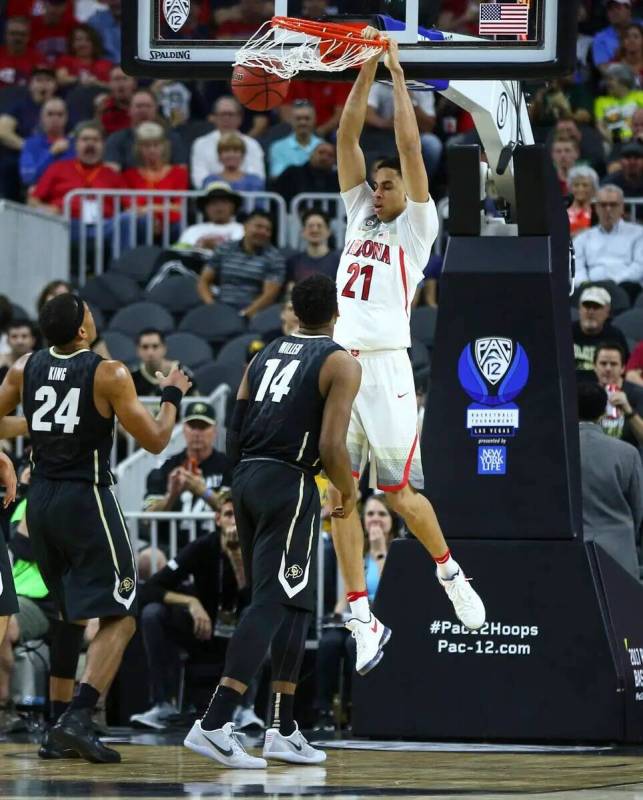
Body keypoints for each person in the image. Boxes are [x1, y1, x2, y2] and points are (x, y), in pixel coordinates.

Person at [329, 28, 485, 676]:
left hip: (388, 365)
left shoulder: (419, 225)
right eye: (377, 183)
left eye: (388, 181)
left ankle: (449, 572)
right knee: (334, 495)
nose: (380, 186)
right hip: (339, 364)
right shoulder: (357, 214)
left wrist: (395, 72)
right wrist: (362, 69)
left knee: (396, 496)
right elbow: (345, 139)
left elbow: (404, 151)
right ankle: (360, 613)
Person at [0, 292, 192, 763]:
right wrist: (172, 394)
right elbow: (155, 440)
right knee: (122, 613)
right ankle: (79, 718)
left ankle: (57, 726)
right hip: (85, 500)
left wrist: (33, 427)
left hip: (40, 502)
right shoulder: (110, 372)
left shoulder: (25, 366)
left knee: (69, 616)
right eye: (87, 310)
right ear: (84, 331)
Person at [184, 273, 361, 769]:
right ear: (337, 311)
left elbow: (235, 429)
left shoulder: (263, 355)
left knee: (295, 600)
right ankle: (216, 722)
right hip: (290, 481)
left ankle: (283, 727)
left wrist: (244, 483)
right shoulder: (340, 362)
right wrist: (346, 489)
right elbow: (330, 445)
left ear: (294, 311)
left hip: (247, 476)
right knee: (272, 599)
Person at [132, 493, 248, 730]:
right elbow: (151, 588)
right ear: (217, 519)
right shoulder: (203, 546)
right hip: (201, 630)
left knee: (257, 621)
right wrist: (191, 603)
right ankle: (162, 704)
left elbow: (254, 599)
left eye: (239, 517)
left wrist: (236, 556)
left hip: (239, 632)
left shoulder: (256, 550)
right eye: (228, 515)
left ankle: (245, 709)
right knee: (153, 613)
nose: (233, 522)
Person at [314, 494, 401, 734]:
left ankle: (360, 709)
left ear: (392, 519)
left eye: (381, 514)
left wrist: (380, 552)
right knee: (329, 644)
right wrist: (336, 614)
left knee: (355, 648)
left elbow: (391, 593)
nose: (375, 520)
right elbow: (348, 593)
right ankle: (326, 712)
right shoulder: (357, 551)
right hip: (354, 621)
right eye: (370, 514)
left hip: (384, 621)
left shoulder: (399, 551)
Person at [578, 381, 643, 580]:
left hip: (574, 557)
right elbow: (638, 510)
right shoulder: (627, 453)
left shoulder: (555, 453)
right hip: (620, 559)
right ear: (603, 413)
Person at [28, 120, 125, 243]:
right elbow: (32, 201)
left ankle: (122, 262)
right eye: (85, 139)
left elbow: (129, 206)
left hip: (104, 227)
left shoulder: (113, 174)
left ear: (103, 145)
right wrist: (46, 208)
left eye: (96, 140)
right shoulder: (57, 168)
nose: (90, 144)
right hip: (66, 224)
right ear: (76, 145)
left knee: (125, 222)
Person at [144, 401, 233, 523]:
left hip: (214, 541)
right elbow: (147, 518)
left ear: (215, 430)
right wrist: (172, 495)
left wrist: (203, 491)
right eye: (192, 426)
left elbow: (235, 514)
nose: (197, 433)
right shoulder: (167, 468)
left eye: (203, 427)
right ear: (184, 429)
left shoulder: (229, 467)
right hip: (171, 541)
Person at [197, 210, 286, 317]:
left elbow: (269, 295)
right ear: (245, 227)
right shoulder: (225, 248)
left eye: (268, 229)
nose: (263, 232)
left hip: (252, 313)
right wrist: (212, 306)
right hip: (220, 307)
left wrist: (244, 314)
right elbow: (204, 281)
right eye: (259, 226)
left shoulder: (275, 257)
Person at [122, 121, 189, 240]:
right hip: (140, 228)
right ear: (139, 148)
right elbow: (130, 208)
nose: (152, 150)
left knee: (180, 226)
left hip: (171, 226)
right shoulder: (128, 175)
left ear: (164, 146)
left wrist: (150, 209)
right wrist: (151, 217)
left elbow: (179, 207)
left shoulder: (179, 173)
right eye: (146, 146)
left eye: (156, 145)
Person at [0, 66, 58, 201]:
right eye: (39, 80)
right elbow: (2, 131)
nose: (43, 84)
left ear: (55, 86)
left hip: (55, 155)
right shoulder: (21, 107)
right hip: (22, 156)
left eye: (48, 80)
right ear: (31, 85)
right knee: (8, 165)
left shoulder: (60, 107)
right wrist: (28, 147)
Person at [366, 81, 443, 179]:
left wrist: (410, 102)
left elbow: (429, 126)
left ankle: (421, 186)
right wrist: (386, 124)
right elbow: (367, 115)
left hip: (416, 134)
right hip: (386, 133)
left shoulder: (424, 88)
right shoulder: (380, 85)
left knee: (432, 143)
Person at [573, 185, 643, 290]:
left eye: (613, 205)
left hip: (626, 288)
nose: (608, 209)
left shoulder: (639, 233)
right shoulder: (583, 238)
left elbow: (639, 267)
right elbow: (576, 268)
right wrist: (585, 284)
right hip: (590, 290)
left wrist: (612, 283)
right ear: (596, 208)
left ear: (622, 207)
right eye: (603, 205)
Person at [191, 97, 266, 189]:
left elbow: (257, 178)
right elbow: (199, 180)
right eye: (222, 114)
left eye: (230, 114)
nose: (226, 118)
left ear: (239, 118)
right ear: (214, 117)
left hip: (246, 198)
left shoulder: (252, 144)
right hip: (212, 197)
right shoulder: (200, 144)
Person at [104, 89, 186, 172]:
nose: (143, 110)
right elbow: (112, 173)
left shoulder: (172, 138)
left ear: (156, 109)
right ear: (129, 110)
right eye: (139, 106)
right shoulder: (116, 139)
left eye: (148, 106)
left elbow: (180, 171)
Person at [594, 343, 643, 449]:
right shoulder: (587, 394)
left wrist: (628, 410)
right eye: (603, 363)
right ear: (594, 367)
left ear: (623, 368)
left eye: (613, 364)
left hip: (628, 459)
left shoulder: (639, 394)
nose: (608, 368)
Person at [572, 286, 629, 373]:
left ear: (607, 311)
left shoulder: (615, 336)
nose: (591, 312)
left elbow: (624, 369)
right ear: (579, 308)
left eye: (596, 307)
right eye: (587, 306)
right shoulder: (565, 333)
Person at [19, 96, 73, 187]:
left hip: (69, 193)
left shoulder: (76, 144)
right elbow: (28, 178)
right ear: (42, 117)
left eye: (60, 114)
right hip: (41, 195)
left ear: (66, 118)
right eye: (50, 114)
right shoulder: (30, 144)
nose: (55, 119)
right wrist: (51, 153)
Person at [176, 181, 244, 251]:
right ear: (205, 208)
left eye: (224, 202)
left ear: (233, 206)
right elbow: (180, 254)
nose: (219, 207)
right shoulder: (192, 231)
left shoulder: (243, 231)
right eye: (214, 203)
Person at [130, 328, 196, 398]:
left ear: (164, 348)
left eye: (155, 346)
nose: (150, 353)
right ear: (138, 350)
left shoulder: (182, 373)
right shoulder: (133, 377)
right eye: (145, 347)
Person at [270, 141, 340, 206]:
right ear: (311, 154)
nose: (324, 158)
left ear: (335, 160)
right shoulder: (292, 173)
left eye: (330, 155)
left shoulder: (338, 179)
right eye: (321, 152)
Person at [286, 210, 340, 288]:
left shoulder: (339, 261)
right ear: (303, 232)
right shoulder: (293, 262)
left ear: (329, 231)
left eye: (319, 226)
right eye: (310, 226)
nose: (315, 230)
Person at [269, 101, 322, 179]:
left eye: (307, 118)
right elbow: (276, 176)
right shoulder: (278, 147)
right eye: (298, 119)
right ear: (291, 120)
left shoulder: (323, 146)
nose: (303, 122)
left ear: (315, 120)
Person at [595, 64, 643, 146]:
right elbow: (600, 125)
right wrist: (612, 141)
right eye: (606, 80)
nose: (607, 83)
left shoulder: (640, 96)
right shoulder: (601, 101)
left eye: (610, 79)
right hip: (614, 142)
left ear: (623, 80)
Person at [200, 133, 265, 191]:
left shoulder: (254, 180)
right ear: (219, 156)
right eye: (226, 151)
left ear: (243, 155)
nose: (231, 155)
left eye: (236, 151)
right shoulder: (211, 180)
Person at [55, 23, 112, 89]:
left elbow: (113, 85)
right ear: (72, 43)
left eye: (88, 40)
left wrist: (96, 83)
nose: (83, 44)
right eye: (78, 39)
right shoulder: (65, 60)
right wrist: (80, 79)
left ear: (94, 43)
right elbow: (61, 79)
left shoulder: (106, 64)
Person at [593, 0, 636, 74]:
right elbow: (603, 67)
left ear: (628, 10)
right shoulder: (600, 37)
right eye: (610, 8)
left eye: (617, 7)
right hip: (617, 82)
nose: (614, 11)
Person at [0, 16, 43, 88]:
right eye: (13, 33)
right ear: (6, 35)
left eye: (22, 34)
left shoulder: (38, 58)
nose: (17, 38)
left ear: (28, 37)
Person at [98, 66, 137, 137]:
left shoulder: (143, 106)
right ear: (109, 84)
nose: (121, 84)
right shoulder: (103, 109)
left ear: (134, 83)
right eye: (116, 79)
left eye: (125, 79)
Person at [567, 165, 598, 237]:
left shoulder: (599, 211)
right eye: (576, 185)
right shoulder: (561, 211)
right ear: (570, 187)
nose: (580, 189)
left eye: (585, 185)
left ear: (593, 189)